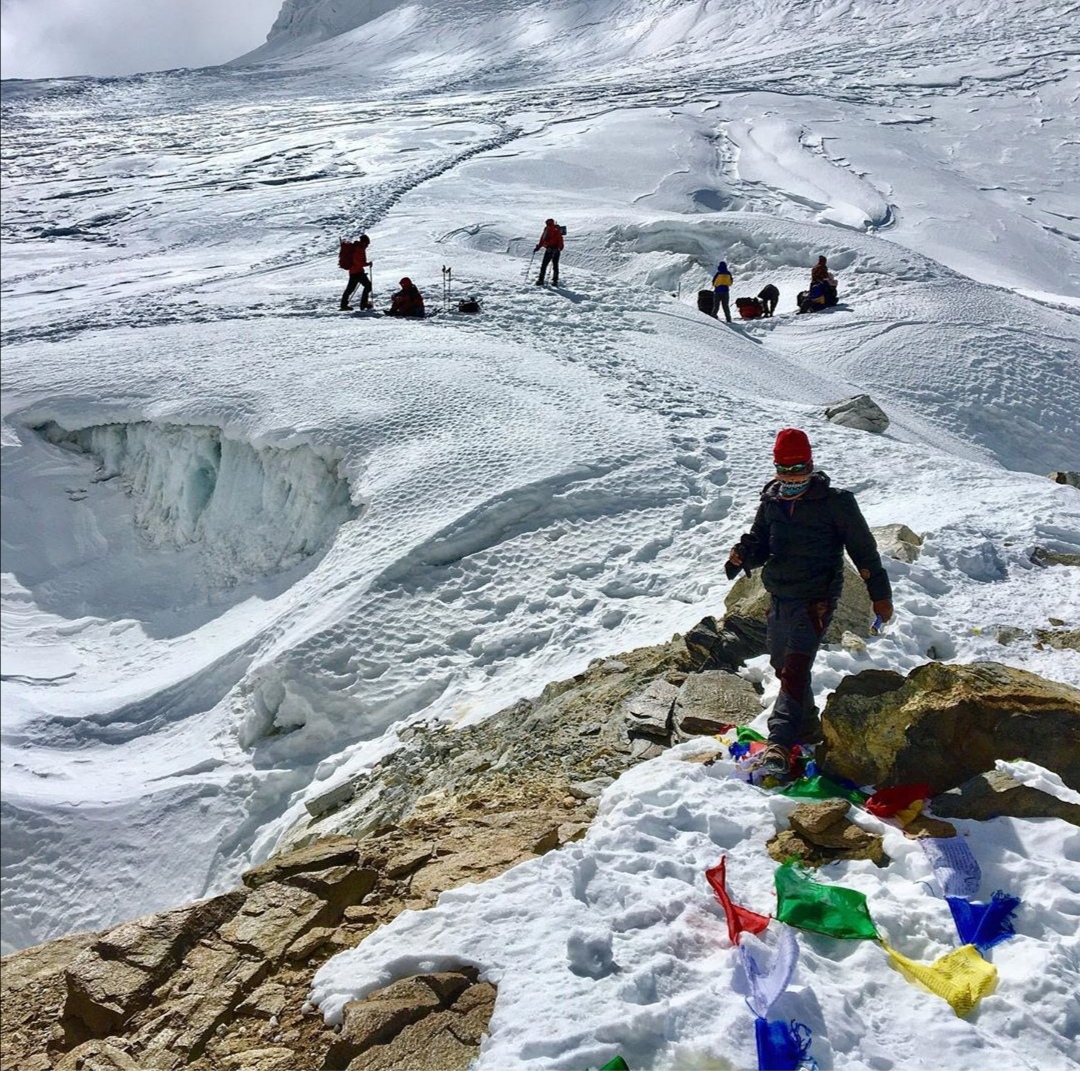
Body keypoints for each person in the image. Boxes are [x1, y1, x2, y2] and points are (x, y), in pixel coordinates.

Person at [727, 428, 893, 777]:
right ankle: (809, 730)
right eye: (785, 469)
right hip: (781, 594)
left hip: (817, 599)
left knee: (795, 670)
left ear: (811, 463)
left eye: (799, 467)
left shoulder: (837, 503)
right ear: (776, 468)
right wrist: (744, 555)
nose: (793, 476)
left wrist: (880, 596)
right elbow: (761, 544)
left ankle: (780, 744)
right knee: (780, 663)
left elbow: (864, 551)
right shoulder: (772, 500)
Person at [340, 234, 373, 311]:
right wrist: (367, 264)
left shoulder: (358, 248)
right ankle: (363, 304)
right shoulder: (359, 249)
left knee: (350, 289)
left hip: (355, 271)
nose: (367, 245)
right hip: (357, 272)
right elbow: (358, 262)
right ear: (364, 242)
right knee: (368, 286)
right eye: (367, 243)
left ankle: (344, 305)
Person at [535, 218, 564, 286]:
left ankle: (541, 280)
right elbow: (561, 241)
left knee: (544, 265)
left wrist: (538, 247)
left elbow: (542, 239)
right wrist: (559, 248)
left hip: (549, 250)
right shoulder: (556, 229)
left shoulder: (547, 229)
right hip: (556, 250)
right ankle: (555, 281)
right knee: (555, 265)